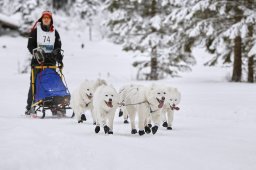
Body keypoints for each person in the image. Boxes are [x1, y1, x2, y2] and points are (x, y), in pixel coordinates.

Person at [25, 11, 63, 116]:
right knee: (34, 84)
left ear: (51, 20)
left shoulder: (55, 32)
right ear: (41, 19)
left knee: (51, 84)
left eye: (48, 18)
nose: (46, 19)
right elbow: (30, 45)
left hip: (51, 62)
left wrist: (58, 54)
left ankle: (52, 106)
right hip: (38, 61)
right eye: (44, 17)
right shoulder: (35, 31)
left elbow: (58, 46)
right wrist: (36, 53)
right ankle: (30, 106)